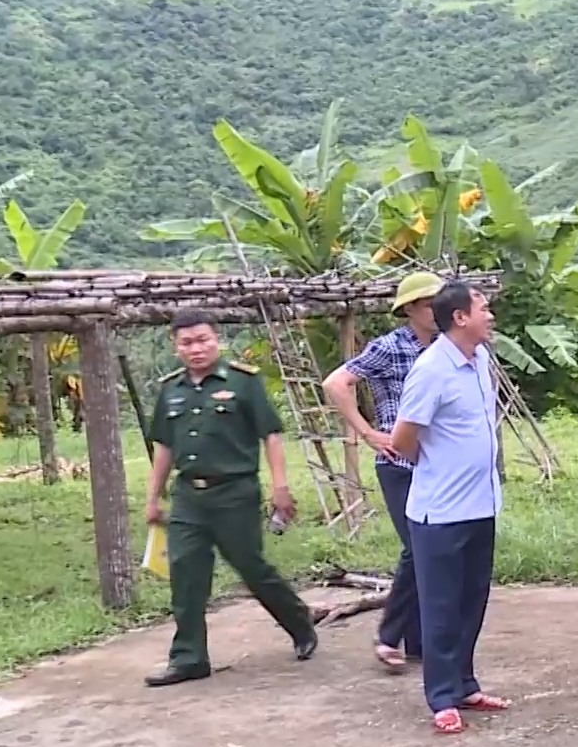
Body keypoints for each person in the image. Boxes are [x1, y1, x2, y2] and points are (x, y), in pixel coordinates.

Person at [142, 310, 318, 687]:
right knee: (186, 574)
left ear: (216, 339)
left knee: (251, 567)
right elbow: (164, 447)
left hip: (235, 492)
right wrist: (153, 497)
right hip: (189, 494)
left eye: (203, 339)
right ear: (176, 347)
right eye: (187, 342)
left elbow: (270, 434)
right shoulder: (171, 389)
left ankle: (299, 622)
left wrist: (280, 486)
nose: (196, 348)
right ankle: (189, 657)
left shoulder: (243, 382)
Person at [391, 281, 507, 735]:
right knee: (440, 606)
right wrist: (440, 465)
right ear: (460, 317)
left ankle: (465, 683)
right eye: (483, 308)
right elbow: (403, 440)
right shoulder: (431, 369)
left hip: (481, 504)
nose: (490, 314)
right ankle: (441, 696)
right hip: (440, 511)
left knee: (471, 601)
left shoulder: (480, 361)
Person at [324, 270, 440, 672]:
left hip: (436, 463)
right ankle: (390, 633)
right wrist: (368, 432)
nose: (436, 310)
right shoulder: (389, 347)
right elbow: (337, 382)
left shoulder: (446, 347)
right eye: (428, 304)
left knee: (430, 549)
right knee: (417, 547)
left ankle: (418, 641)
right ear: (409, 309)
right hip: (399, 462)